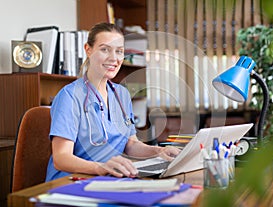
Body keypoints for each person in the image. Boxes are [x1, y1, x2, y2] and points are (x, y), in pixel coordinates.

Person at [46, 22, 180, 181]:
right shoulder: (69, 96)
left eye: (119, 51)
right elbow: (61, 158)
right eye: (104, 49)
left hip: (108, 178)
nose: (114, 58)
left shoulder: (121, 94)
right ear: (88, 50)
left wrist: (158, 151)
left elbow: (130, 145)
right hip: (72, 181)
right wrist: (100, 167)